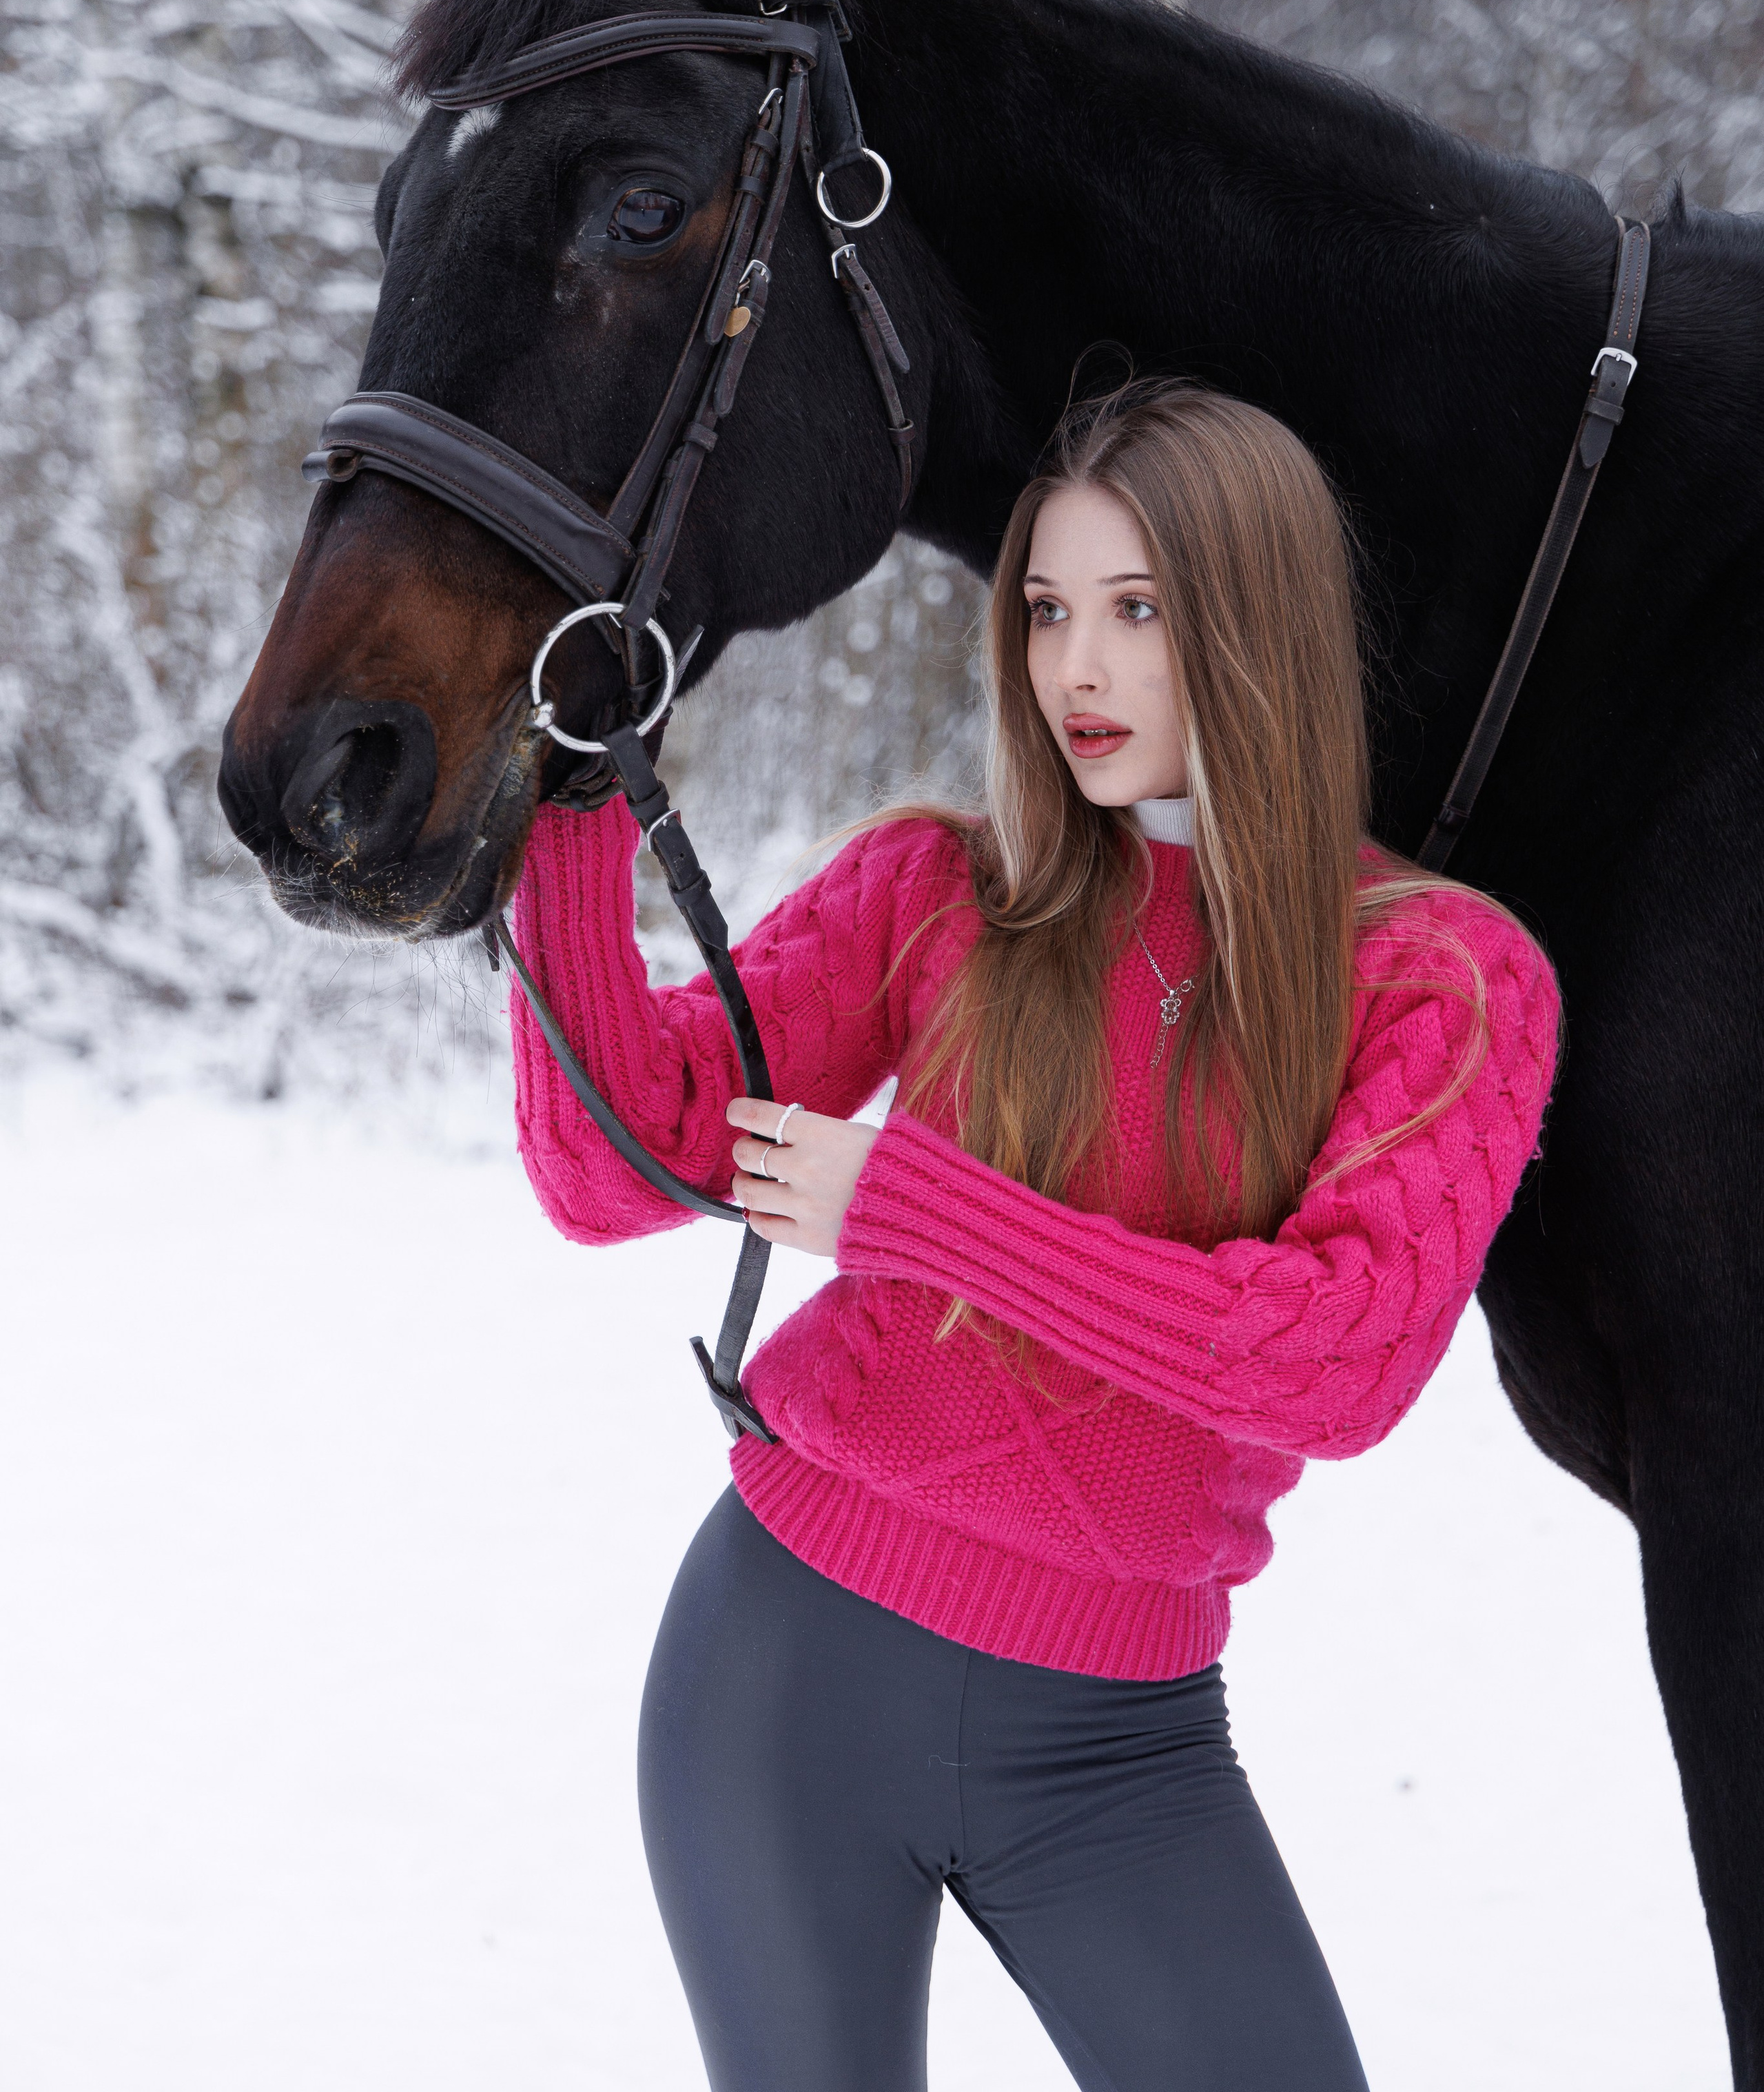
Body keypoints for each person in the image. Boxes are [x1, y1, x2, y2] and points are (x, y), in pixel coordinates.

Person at [508, 382, 1561, 2092]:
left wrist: (912, 1210)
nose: (1073, 667)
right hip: (786, 1674)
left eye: (1135, 612)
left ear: (1259, 621)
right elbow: (613, 1163)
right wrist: (554, 813)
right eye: (1048, 611)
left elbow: (1335, 1357)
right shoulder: (941, 891)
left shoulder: (1439, 976)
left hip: (1120, 1751)